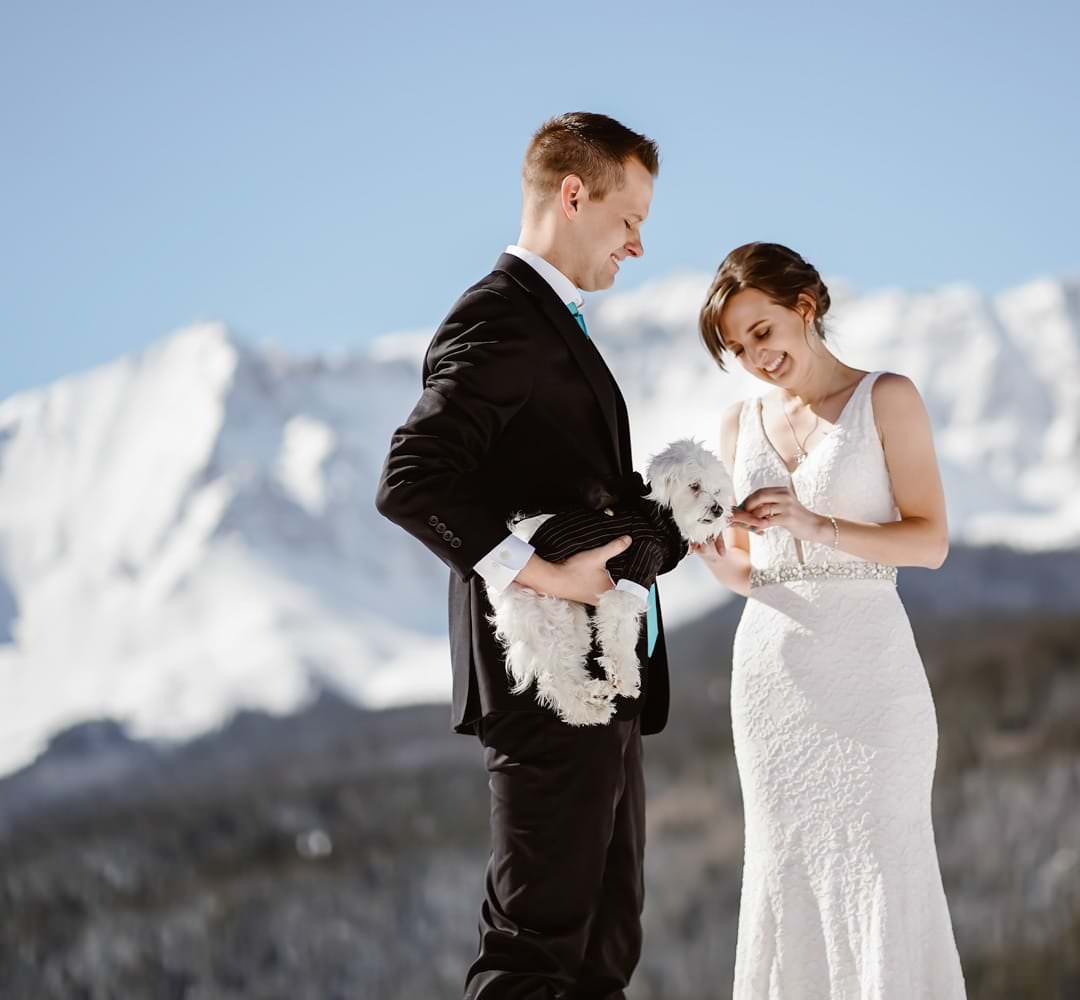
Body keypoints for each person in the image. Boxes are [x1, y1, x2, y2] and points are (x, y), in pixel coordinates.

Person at [375, 111, 666, 1000]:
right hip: (547, 685)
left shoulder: (551, 323)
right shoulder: (502, 318)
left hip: (603, 679)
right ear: (572, 195)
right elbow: (411, 479)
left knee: (601, 953)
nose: (638, 246)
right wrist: (545, 574)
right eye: (629, 220)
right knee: (534, 956)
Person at [694, 242, 968, 998]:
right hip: (772, 681)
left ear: (805, 309)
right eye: (737, 347)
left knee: (882, 862)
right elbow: (760, 568)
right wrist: (723, 566)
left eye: (763, 333)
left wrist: (818, 526)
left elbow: (931, 541)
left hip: (872, 677)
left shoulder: (888, 398)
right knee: (784, 868)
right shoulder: (737, 424)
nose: (755, 357)